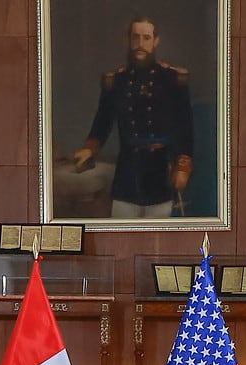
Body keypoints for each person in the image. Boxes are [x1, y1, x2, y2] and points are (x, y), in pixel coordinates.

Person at [70, 16, 194, 219]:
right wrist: (89, 148)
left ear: (155, 41)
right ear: (129, 40)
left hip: (160, 173)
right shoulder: (116, 81)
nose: (140, 44)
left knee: (156, 241)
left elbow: (185, 128)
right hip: (128, 172)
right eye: (136, 37)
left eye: (146, 38)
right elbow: (103, 121)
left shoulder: (173, 80)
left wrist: (183, 166)